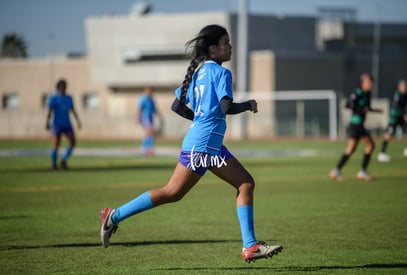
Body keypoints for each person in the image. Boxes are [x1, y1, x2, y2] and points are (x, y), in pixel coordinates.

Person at [100, 25, 283, 263]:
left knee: (244, 183)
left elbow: (177, 106)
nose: (230, 47)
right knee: (172, 192)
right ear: (213, 48)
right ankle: (114, 215)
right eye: (226, 42)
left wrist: (200, 120)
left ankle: (250, 246)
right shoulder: (221, 73)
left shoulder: (198, 72)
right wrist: (249, 104)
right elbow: (227, 107)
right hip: (204, 146)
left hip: (207, 144)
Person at [329, 73, 383, 181]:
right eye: (368, 81)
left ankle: (336, 170)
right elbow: (348, 104)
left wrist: (376, 110)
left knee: (351, 148)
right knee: (370, 145)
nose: (371, 83)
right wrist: (360, 110)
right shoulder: (358, 92)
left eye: (371, 81)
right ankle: (362, 171)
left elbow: (366, 108)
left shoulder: (367, 94)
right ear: (362, 82)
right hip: (356, 124)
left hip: (358, 124)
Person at [45, 79, 81, 170]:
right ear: (58, 87)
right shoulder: (54, 98)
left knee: (72, 142)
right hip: (57, 124)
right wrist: (47, 122)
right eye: (61, 86)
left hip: (67, 124)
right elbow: (50, 111)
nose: (63, 88)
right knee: (56, 144)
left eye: (64, 86)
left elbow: (72, 110)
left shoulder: (69, 98)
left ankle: (63, 160)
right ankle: (54, 165)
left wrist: (78, 121)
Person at [377, 79, 407, 162]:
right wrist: (404, 114)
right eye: (402, 86)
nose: (404, 88)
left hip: (402, 118)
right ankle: (382, 153)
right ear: (399, 87)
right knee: (388, 135)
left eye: (405, 86)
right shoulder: (397, 95)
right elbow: (397, 106)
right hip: (394, 118)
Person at [137, 87, 160, 155]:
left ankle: (148, 148)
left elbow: (154, 109)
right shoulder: (143, 99)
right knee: (150, 132)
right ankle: (146, 149)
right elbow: (139, 109)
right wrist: (138, 118)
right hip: (145, 117)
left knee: (150, 133)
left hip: (150, 118)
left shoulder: (151, 100)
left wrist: (160, 117)